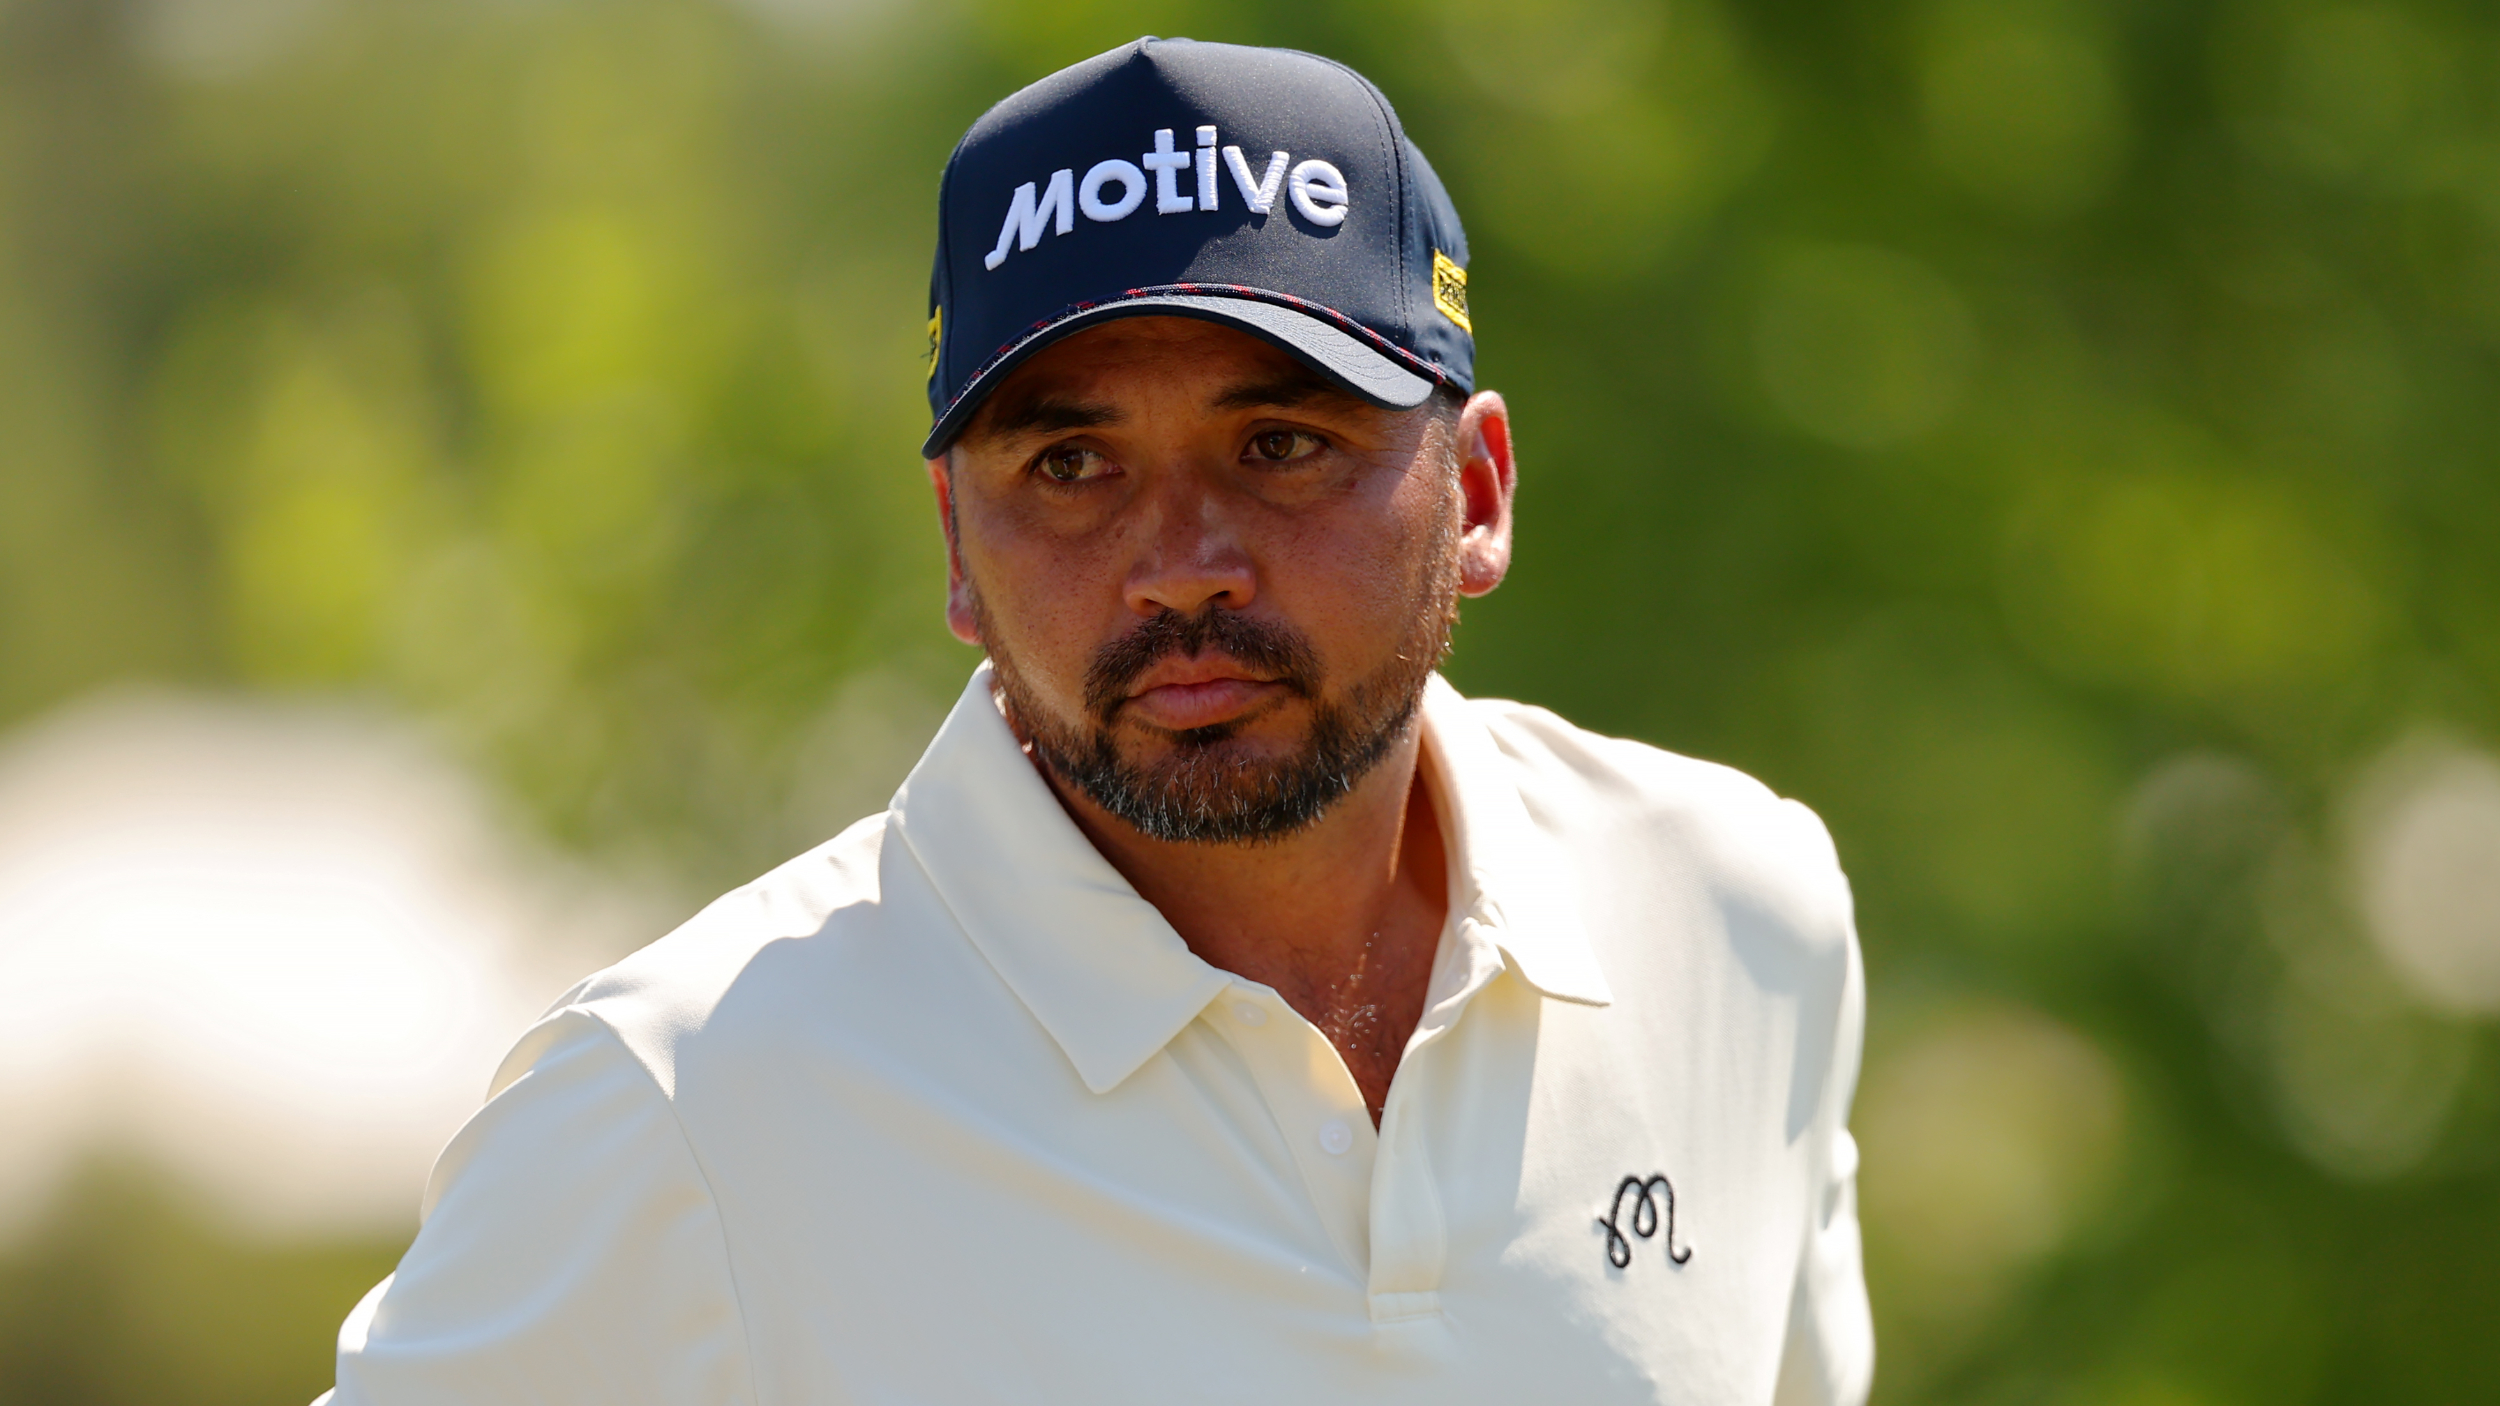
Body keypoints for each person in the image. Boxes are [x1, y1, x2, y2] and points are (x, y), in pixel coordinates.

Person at [321, 37, 1872, 1406]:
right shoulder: (684, 1106)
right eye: (1071, 467)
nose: (1181, 564)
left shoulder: (1736, 918)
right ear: (952, 544)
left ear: (1473, 490)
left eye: (1280, 441)